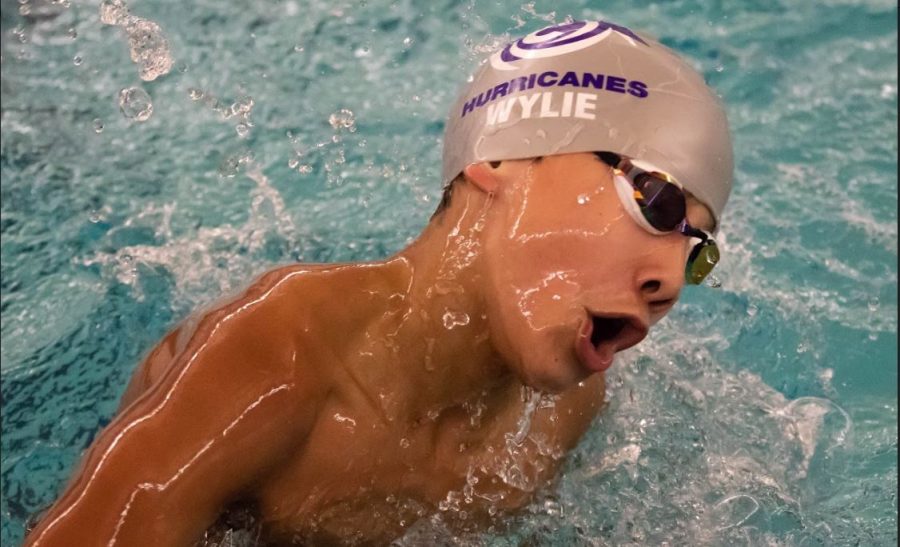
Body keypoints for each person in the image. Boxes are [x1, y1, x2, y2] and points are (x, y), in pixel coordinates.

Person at [24, 19, 733, 546]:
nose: (670, 279)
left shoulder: (565, 413)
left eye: (696, 251)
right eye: (657, 202)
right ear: (505, 159)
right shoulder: (284, 352)